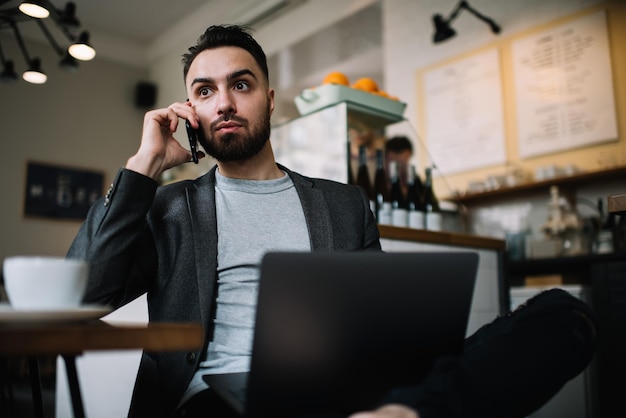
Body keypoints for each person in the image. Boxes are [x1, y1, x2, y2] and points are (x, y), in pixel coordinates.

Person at [67, 24, 598, 418]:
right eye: (205, 91)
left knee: (562, 316)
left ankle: (400, 411)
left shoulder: (344, 204)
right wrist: (143, 167)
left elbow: (379, 326)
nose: (224, 102)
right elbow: (81, 297)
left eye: (241, 84)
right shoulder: (169, 206)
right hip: (217, 401)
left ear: (270, 99)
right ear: (191, 112)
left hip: (342, 391)